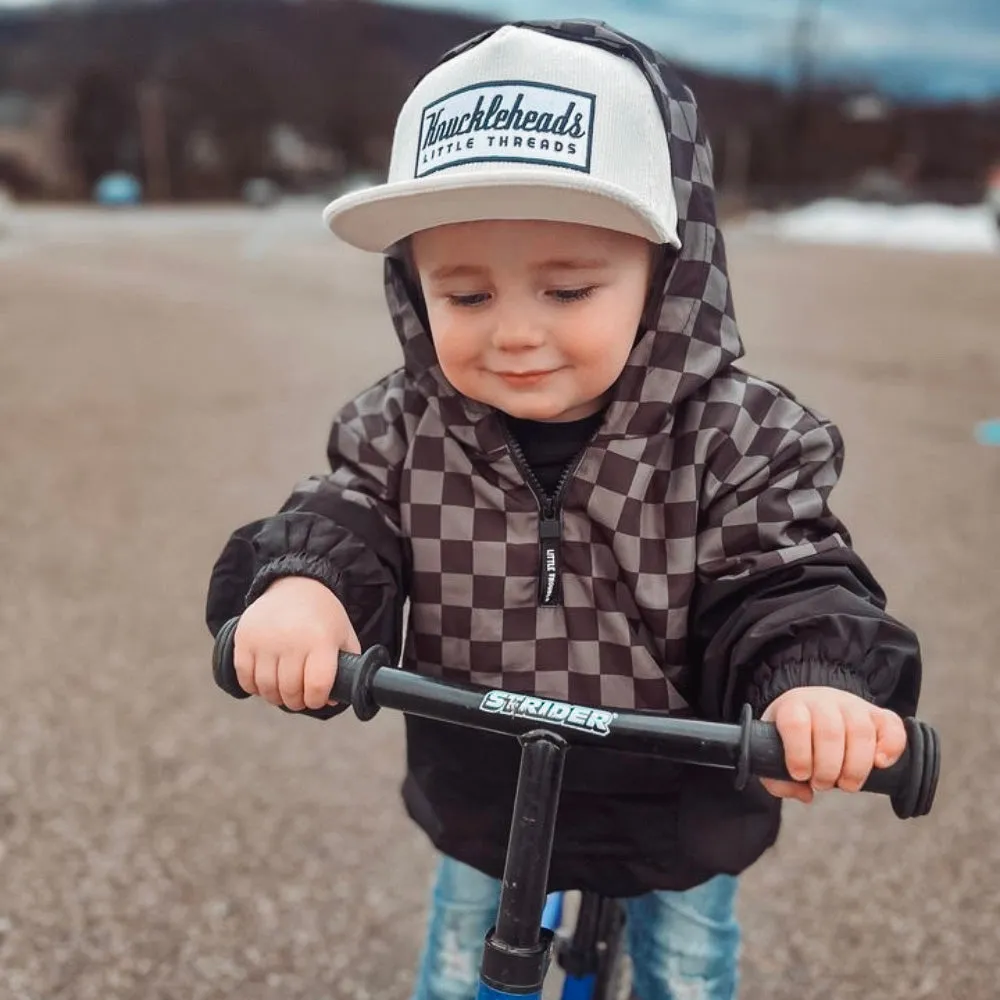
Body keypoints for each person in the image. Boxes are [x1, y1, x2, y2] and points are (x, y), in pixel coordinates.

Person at [205, 20, 922, 1000]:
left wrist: (813, 682)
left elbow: (786, 576)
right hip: (485, 789)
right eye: (463, 294)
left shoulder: (738, 438)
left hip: (676, 799)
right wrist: (304, 590)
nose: (514, 333)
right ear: (412, 291)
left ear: (670, 278)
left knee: (687, 966)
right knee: (461, 965)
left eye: (568, 287)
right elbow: (348, 515)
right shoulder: (401, 426)